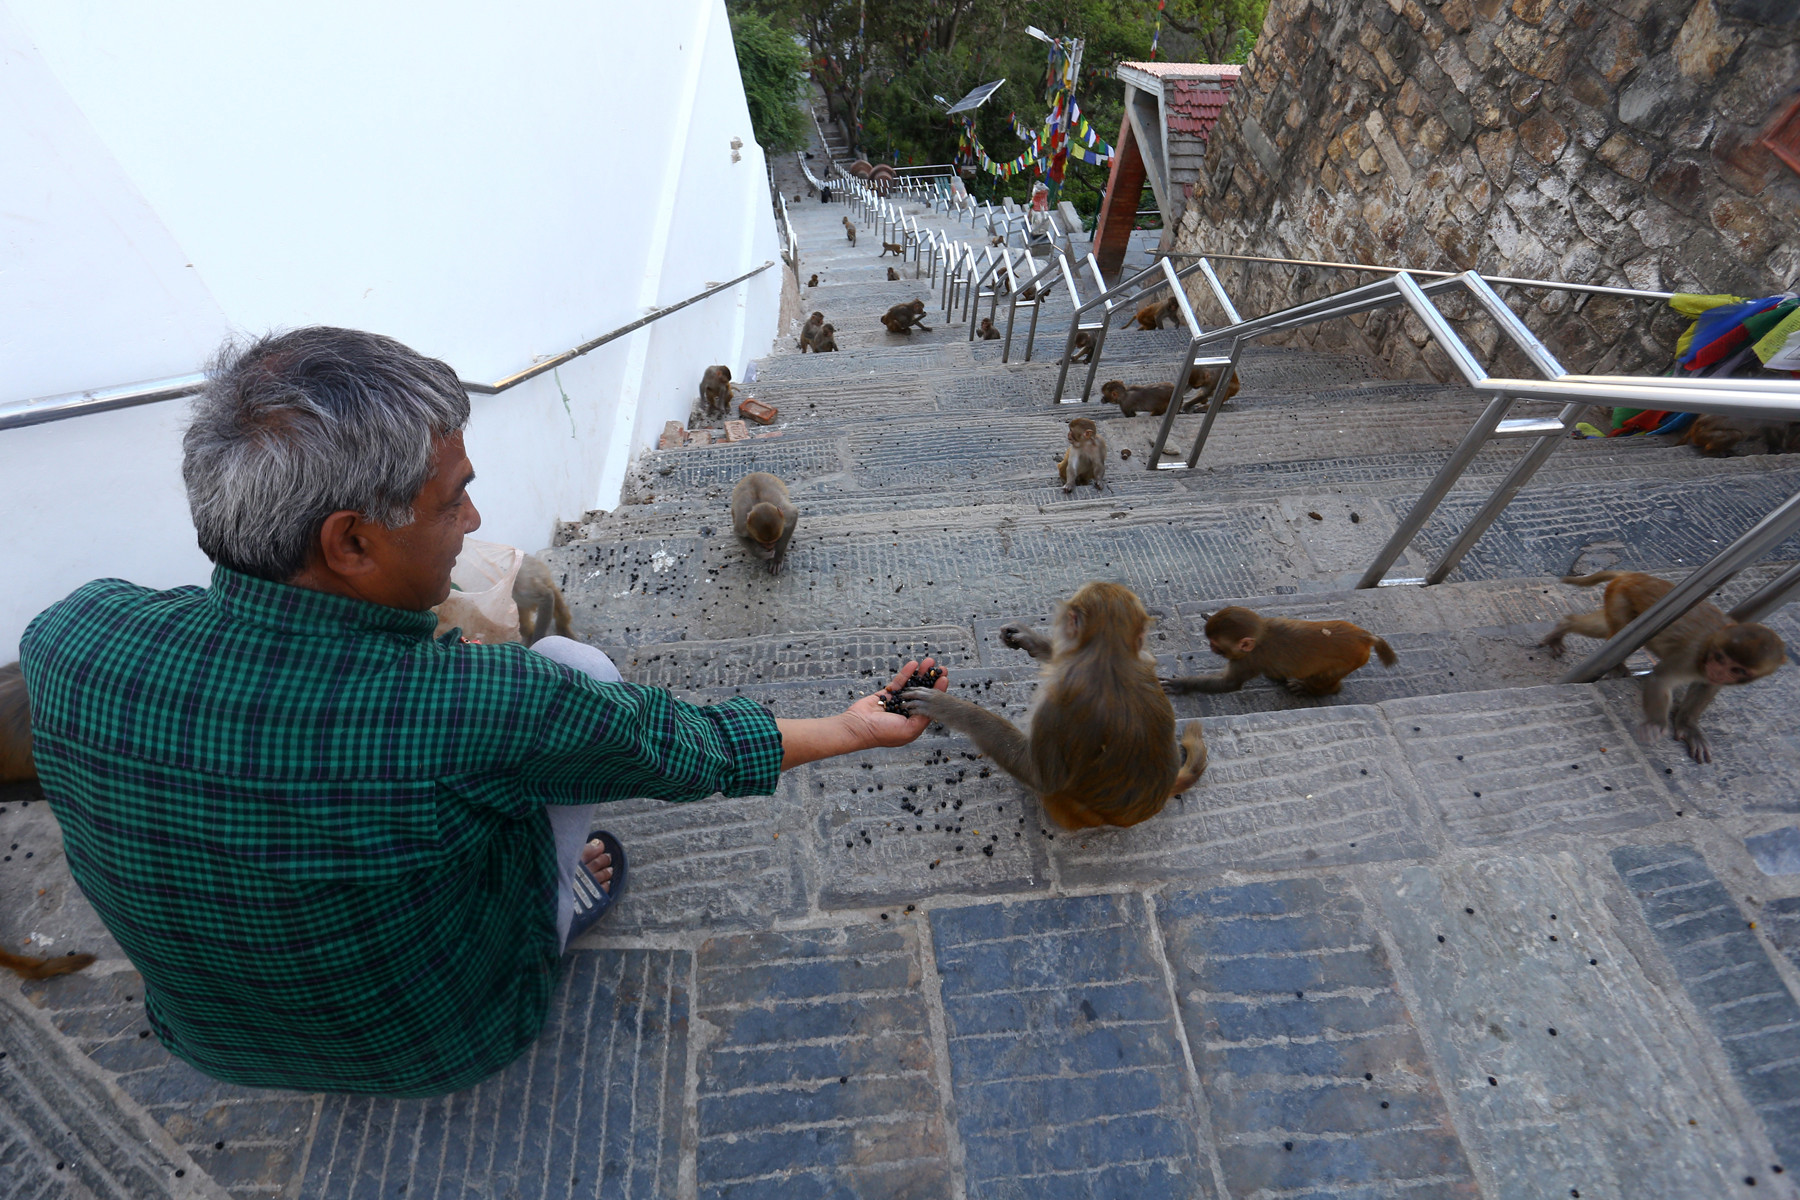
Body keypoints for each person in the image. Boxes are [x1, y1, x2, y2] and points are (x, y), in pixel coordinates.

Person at [18, 327, 942, 1097]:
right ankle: (558, 897)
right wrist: (854, 727)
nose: (473, 517)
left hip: (213, 1040)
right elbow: (682, 749)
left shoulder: (68, 639)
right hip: (446, 1041)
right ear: (351, 542)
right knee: (576, 666)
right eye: (451, 496)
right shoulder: (478, 706)